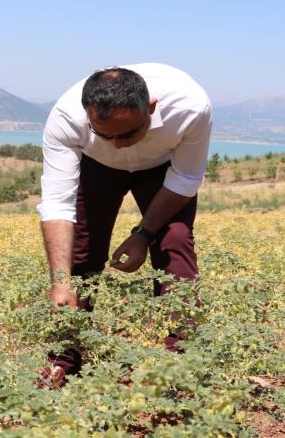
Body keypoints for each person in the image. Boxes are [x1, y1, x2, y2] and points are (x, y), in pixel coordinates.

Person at [36, 63, 212, 388]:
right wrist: (60, 282)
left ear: (151, 108)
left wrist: (143, 235)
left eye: (130, 133)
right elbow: (58, 204)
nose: (119, 144)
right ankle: (62, 363)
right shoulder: (66, 117)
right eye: (104, 134)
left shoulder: (190, 107)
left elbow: (186, 177)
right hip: (96, 166)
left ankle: (183, 368)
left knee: (174, 243)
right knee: (81, 255)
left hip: (163, 169)